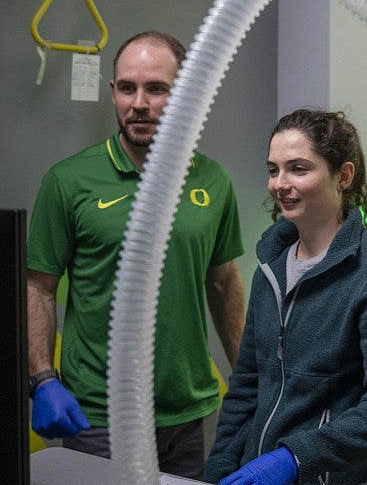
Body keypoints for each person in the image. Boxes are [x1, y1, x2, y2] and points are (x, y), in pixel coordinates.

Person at [26, 31, 247, 480]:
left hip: (187, 412)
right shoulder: (69, 182)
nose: (139, 103)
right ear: (113, 92)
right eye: (127, 88)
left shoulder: (214, 182)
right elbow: (39, 288)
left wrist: (250, 381)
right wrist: (43, 379)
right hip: (100, 415)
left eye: (157, 88)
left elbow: (224, 284)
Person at [204, 109, 367, 485]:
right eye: (273, 170)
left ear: (344, 176)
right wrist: (218, 469)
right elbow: (245, 387)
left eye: (298, 169)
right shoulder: (269, 271)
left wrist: (296, 457)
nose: (279, 183)